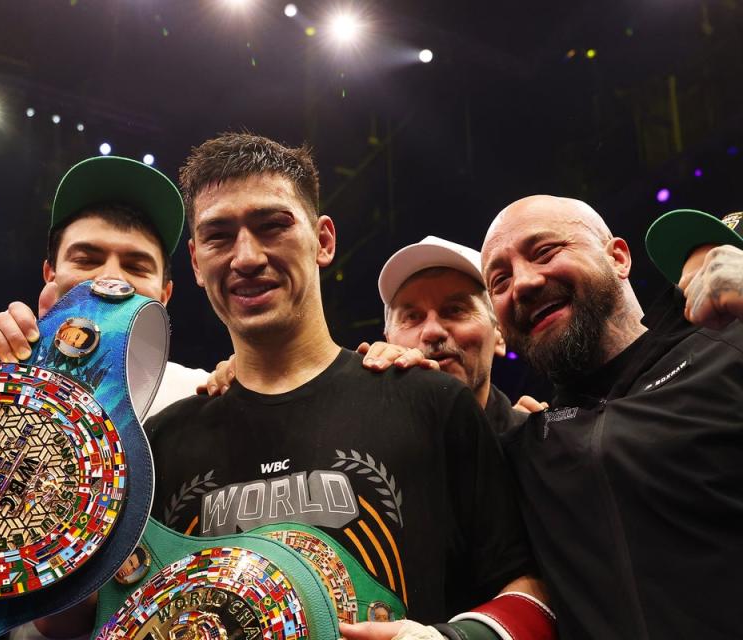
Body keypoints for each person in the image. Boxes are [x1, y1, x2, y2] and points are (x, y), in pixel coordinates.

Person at [147, 133, 553, 638]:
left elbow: (532, 591)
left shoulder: (430, 402)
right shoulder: (161, 445)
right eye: (219, 235)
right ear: (194, 262)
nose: (246, 257)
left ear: (323, 240)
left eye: (272, 226)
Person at [480, 194, 743, 639]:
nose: (521, 283)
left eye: (544, 252)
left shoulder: (726, 350)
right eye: (499, 280)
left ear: (618, 257)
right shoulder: (525, 451)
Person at [0, 156, 207, 418]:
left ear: (164, 295)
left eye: (136, 267)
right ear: (50, 275)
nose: (111, 278)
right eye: (87, 260)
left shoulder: (200, 396)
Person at [375, 235, 533, 432]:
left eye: (456, 310)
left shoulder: (540, 448)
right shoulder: (360, 437)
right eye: (412, 316)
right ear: (388, 340)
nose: (432, 332)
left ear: (499, 333)